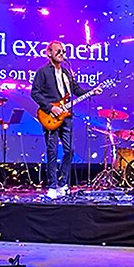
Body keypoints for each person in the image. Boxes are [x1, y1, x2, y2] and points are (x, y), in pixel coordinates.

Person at [31, 41, 99, 198]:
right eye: (58, 51)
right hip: (51, 116)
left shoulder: (66, 73)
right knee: (52, 150)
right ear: (49, 53)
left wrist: (92, 92)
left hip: (66, 116)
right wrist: (50, 107)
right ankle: (52, 186)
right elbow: (35, 93)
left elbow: (77, 91)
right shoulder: (43, 72)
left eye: (63, 51)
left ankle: (63, 184)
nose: (61, 53)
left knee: (70, 150)